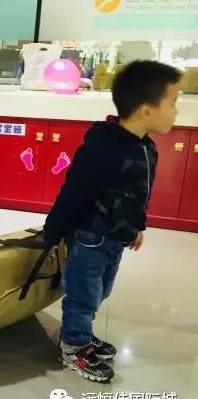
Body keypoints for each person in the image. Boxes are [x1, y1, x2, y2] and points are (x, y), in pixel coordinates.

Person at [44, 60, 182, 382]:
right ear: (146, 110)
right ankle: (73, 345)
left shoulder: (145, 146)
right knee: (83, 294)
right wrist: (53, 232)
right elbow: (73, 192)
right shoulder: (103, 148)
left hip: (116, 236)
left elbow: (139, 191)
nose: (177, 111)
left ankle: (80, 332)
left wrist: (138, 225)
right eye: (173, 102)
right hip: (90, 236)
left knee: (100, 290)